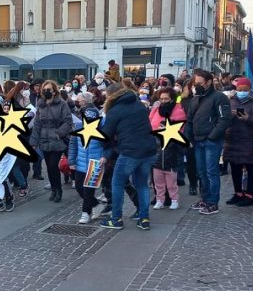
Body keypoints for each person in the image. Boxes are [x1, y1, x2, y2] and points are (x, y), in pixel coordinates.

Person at [99, 83, 157, 230]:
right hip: (148, 149)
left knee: (117, 183)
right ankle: (144, 218)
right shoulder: (139, 105)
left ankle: (116, 218)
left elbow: (106, 135)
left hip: (130, 151)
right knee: (142, 184)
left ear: (111, 95)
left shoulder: (115, 110)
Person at [185, 70, 232, 215]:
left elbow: (224, 119)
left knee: (211, 172)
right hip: (198, 140)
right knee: (201, 171)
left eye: (199, 83)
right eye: (195, 83)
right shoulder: (195, 99)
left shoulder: (219, 97)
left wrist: (212, 136)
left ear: (209, 82)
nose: (196, 85)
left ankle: (213, 202)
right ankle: (205, 199)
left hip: (211, 140)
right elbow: (190, 121)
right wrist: (189, 138)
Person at [30, 80, 73, 203]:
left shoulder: (62, 104)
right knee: (49, 166)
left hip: (57, 139)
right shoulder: (41, 104)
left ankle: (58, 189)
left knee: (54, 165)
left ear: (54, 91)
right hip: (44, 139)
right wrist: (34, 141)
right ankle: (54, 189)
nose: (45, 91)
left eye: (48, 89)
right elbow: (37, 124)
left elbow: (68, 121)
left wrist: (59, 133)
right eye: (44, 89)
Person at [149, 88, 186, 210]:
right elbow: (150, 122)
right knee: (157, 178)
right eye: (161, 98)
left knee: (171, 180)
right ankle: (159, 198)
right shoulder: (156, 109)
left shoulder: (179, 110)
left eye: (166, 99)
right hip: (156, 146)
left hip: (172, 147)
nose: (163, 101)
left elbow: (181, 127)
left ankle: (173, 199)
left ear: (172, 99)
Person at [223, 77, 253, 207]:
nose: (241, 91)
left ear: (250, 90)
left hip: (249, 138)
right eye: (239, 89)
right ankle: (238, 193)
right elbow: (223, 116)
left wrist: (248, 118)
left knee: (251, 167)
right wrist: (230, 115)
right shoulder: (231, 99)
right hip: (232, 137)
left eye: (245, 90)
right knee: (235, 167)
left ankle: (249, 195)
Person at [68, 108, 103, 223]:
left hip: (95, 164)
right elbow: (73, 145)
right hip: (81, 163)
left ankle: (85, 213)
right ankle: (96, 204)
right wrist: (71, 161)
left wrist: (104, 158)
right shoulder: (78, 128)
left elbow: (107, 146)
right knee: (79, 187)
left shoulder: (102, 130)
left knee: (88, 191)